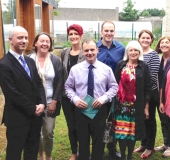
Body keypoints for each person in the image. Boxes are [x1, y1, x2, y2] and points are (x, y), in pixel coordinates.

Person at [0, 26, 46, 160]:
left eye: (26, 37)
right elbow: (12, 93)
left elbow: (38, 84)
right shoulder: (3, 65)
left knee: (32, 151)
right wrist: (33, 108)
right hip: (17, 118)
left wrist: (42, 103)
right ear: (10, 40)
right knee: (14, 152)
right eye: (20, 38)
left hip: (35, 117)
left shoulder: (29, 61)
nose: (24, 40)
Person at [65, 39, 118, 160]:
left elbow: (114, 87)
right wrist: (75, 100)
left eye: (92, 49)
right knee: (82, 139)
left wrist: (103, 98)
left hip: (99, 109)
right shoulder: (75, 69)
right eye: (86, 50)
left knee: (98, 140)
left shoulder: (106, 69)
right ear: (82, 52)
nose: (89, 52)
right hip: (81, 109)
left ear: (97, 50)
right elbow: (68, 87)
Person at [113, 41, 152, 160]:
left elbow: (147, 88)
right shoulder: (121, 64)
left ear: (139, 52)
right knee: (121, 132)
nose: (133, 52)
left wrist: (146, 107)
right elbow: (114, 83)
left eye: (136, 50)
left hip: (136, 106)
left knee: (132, 133)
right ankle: (123, 155)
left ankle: (129, 156)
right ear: (127, 52)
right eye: (131, 50)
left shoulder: (143, 66)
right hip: (121, 106)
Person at [29, 32, 63, 160]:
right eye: (41, 41)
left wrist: (54, 101)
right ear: (36, 43)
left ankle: (49, 156)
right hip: (34, 104)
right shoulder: (28, 60)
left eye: (47, 41)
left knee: (48, 132)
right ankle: (41, 156)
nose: (44, 44)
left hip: (50, 103)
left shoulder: (55, 60)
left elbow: (60, 81)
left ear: (50, 44)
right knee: (36, 132)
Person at [97, 20, 125, 159]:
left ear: (114, 32)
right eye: (106, 30)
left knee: (114, 121)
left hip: (115, 93)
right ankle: (98, 149)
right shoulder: (94, 48)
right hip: (97, 92)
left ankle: (112, 148)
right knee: (98, 121)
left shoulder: (121, 48)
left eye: (111, 31)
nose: (108, 33)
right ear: (101, 31)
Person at [133, 29, 160, 159]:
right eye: (143, 38)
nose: (145, 40)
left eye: (148, 38)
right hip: (137, 92)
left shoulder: (153, 55)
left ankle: (150, 147)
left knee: (150, 119)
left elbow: (153, 76)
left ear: (151, 40)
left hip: (150, 91)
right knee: (141, 119)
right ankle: (143, 143)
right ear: (139, 39)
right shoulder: (136, 53)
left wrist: (146, 97)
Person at [61, 24, 85, 160]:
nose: (73, 36)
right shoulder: (64, 52)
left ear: (81, 35)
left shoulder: (86, 51)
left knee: (81, 125)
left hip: (82, 96)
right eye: (71, 34)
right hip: (66, 96)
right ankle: (74, 152)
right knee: (71, 126)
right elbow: (63, 75)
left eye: (76, 34)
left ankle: (83, 151)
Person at [153, 36, 170, 158]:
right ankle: (166, 144)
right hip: (160, 94)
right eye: (162, 43)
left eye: (167, 43)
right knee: (163, 120)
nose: (164, 45)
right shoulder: (158, 59)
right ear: (159, 45)